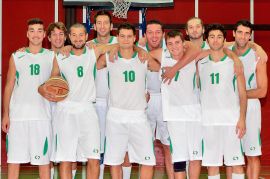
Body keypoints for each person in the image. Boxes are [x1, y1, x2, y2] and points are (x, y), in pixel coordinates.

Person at [40, 23, 117, 179]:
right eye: (74, 35)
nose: (78, 38)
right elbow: (51, 81)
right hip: (65, 111)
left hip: (87, 110)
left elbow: (120, 43)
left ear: (87, 37)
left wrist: (139, 48)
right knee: (66, 160)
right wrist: (44, 90)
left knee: (94, 158)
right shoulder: (60, 56)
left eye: (81, 35)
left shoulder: (93, 52)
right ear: (69, 37)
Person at [96, 22, 160, 179]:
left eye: (129, 36)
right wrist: (112, 48)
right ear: (117, 38)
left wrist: (139, 49)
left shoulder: (143, 57)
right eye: (122, 36)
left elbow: (157, 67)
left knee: (147, 160)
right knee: (115, 161)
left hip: (138, 115)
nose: (125, 39)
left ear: (134, 38)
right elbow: (95, 62)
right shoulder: (108, 58)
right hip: (116, 116)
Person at [2, 18, 54, 179]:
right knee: (14, 161)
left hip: (42, 117)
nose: (36, 34)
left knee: (44, 162)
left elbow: (58, 82)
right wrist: (5, 114)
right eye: (32, 30)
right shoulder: (17, 56)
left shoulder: (52, 56)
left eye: (39, 30)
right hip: (18, 117)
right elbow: (9, 86)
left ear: (45, 34)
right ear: (27, 34)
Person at [198, 23, 247, 179]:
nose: (215, 40)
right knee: (212, 165)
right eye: (212, 37)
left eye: (219, 37)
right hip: (208, 121)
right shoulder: (200, 63)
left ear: (225, 40)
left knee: (236, 163)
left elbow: (242, 94)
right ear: (207, 40)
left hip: (231, 120)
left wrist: (242, 118)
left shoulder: (235, 63)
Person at [231, 20, 267, 179]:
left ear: (250, 36)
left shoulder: (257, 56)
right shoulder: (225, 50)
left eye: (247, 33)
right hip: (229, 107)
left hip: (250, 107)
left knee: (252, 153)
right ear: (233, 33)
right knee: (232, 155)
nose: (243, 36)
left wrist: (238, 94)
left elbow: (262, 91)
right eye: (240, 32)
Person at [138, 20, 174, 179]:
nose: (154, 36)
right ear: (144, 35)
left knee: (168, 145)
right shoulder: (137, 50)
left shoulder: (172, 49)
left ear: (164, 34)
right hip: (144, 101)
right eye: (150, 32)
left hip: (166, 101)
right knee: (144, 146)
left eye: (158, 32)